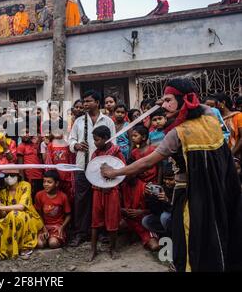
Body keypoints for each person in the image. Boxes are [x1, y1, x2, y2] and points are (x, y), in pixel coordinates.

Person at [102, 78, 242, 272]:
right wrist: (177, 100)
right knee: (215, 231)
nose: (164, 105)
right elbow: (197, 105)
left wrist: (115, 172)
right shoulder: (210, 117)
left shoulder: (178, 133)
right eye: (163, 101)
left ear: (184, 100)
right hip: (217, 189)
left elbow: (147, 162)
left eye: (168, 100)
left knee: (187, 236)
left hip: (189, 196)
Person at [68, 90, 116, 247]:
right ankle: (81, 233)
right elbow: (71, 139)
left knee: (101, 201)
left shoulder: (107, 121)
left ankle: (101, 232)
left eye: (88, 101)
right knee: (81, 200)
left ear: (97, 102)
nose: (85, 104)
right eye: (84, 101)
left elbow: (113, 142)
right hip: (82, 166)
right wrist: (76, 145)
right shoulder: (79, 121)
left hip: (101, 168)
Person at [89, 126, 125, 261]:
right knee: (95, 220)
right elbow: (91, 171)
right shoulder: (95, 154)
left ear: (105, 138)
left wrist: (111, 182)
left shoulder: (116, 152)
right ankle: (93, 249)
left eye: (97, 140)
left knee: (112, 219)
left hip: (112, 190)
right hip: (97, 190)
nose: (95, 142)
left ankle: (113, 248)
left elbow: (122, 169)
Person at [0, 169, 43, 259]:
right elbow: (1, 214)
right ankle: (6, 251)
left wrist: (0, 208)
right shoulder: (4, 192)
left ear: (18, 176)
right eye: (6, 176)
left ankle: (25, 247)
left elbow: (21, 207)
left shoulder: (25, 185)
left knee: (15, 214)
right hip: (11, 219)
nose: (9, 178)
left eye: (12, 175)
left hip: (28, 216)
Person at [123, 125, 160, 251]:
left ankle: (152, 233)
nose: (132, 138)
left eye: (135, 136)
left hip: (152, 183)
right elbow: (134, 168)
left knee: (152, 205)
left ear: (144, 137)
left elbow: (159, 167)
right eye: (132, 136)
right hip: (141, 183)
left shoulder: (153, 150)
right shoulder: (134, 152)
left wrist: (158, 183)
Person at [35, 170, 71, 249]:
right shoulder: (39, 195)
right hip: (44, 226)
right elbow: (38, 214)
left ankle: (52, 239)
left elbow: (68, 215)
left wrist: (62, 227)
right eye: (44, 182)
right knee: (40, 245)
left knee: (53, 244)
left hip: (57, 227)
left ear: (56, 183)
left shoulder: (63, 196)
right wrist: (44, 229)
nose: (46, 184)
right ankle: (46, 239)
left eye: (49, 182)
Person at [142, 167, 175, 237]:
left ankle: (174, 236)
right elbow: (155, 211)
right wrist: (150, 197)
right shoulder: (162, 188)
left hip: (176, 218)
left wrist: (167, 201)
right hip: (165, 219)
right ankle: (167, 235)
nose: (167, 182)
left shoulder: (179, 189)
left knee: (164, 217)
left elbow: (179, 211)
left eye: (171, 179)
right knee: (146, 221)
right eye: (165, 179)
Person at [17, 131, 43, 200]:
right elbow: (20, 166)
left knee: (39, 197)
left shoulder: (36, 144)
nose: (25, 135)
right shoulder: (21, 146)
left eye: (27, 132)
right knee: (31, 197)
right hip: (30, 177)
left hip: (40, 176)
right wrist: (22, 181)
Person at [215, 92, 242, 158]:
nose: (214, 107)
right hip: (220, 156)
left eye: (215, 104)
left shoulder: (238, 116)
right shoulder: (214, 119)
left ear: (223, 103)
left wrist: (231, 154)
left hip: (235, 156)